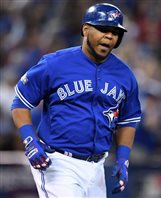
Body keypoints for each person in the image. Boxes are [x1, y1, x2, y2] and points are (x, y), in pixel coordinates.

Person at [11, 3, 141, 197]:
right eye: (103, 29)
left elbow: (128, 120)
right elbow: (20, 103)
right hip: (59, 163)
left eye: (115, 32)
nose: (109, 36)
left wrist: (123, 159)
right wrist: (30, 140)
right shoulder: (54, 64)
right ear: (86, 29)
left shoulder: (125, 75)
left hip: (97, 167)